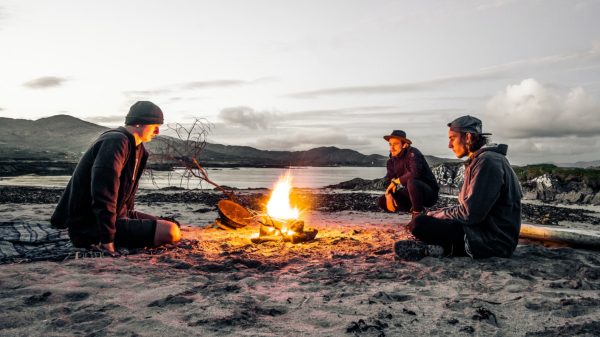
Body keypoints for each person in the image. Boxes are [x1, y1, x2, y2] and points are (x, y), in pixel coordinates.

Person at [51, 101, 181, 256]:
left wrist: (129, 219)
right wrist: (108, 240)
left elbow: (126, 196)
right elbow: (103, 192)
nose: (158, 131)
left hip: (118, 215)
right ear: (138, 123)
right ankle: (104, 237)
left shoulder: (139, 150)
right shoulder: (116, 141)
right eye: (154, 125)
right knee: (170, 232)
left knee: (172, 225)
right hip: (91, 225)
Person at [394, 115, 522, 261]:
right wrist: (441, 213)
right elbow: (471, 209)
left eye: (452, 138)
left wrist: (438, 215)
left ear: (468, 137)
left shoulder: (488, 162)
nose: (449, 145)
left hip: (492, 242)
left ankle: (443, 248)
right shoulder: (481, 160)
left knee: (420, 223)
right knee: (427, 220)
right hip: (481, 232)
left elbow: (470, 214)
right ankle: (439, 249)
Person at [378, 130, 439, 219]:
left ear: (404, 144)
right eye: (390, 144)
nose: (391, 148)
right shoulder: (391, 161)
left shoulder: (413, 153)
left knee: (412, 182)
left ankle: (417, 215)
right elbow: (389, 180)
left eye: (395, 144)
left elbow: (415, 173)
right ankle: (416, 209)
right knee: (382, 201)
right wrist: (389, 195)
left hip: (429, 193)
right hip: (411, 193)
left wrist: (396, 182)